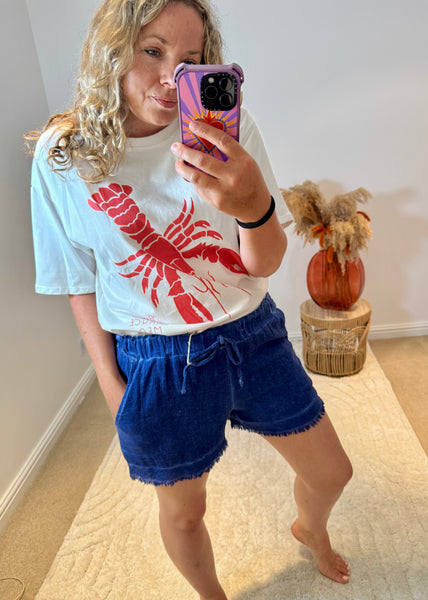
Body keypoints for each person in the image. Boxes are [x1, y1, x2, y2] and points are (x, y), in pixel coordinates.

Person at [27, 1, 353, 598]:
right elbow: (78, 278)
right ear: (112, 50)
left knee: (333, 472)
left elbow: (263, 262)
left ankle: (310, 528)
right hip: (156, 358)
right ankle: (211, 595)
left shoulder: (228, 128)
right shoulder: (63, 156)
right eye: (152, 51)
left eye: (190, 61)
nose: (168, 78)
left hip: (251, 333)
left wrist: (253, 207)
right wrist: (110, 382)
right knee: (183, 513)